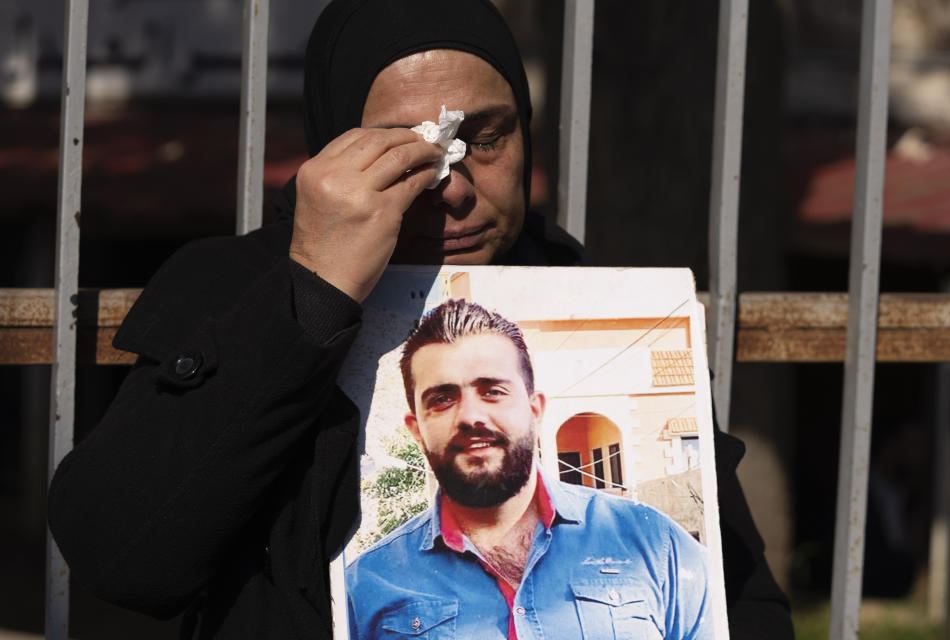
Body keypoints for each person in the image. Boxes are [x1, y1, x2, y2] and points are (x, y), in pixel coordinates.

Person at [47, 0, 792, 638]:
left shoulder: (587, 298)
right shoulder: (235, 287)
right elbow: (124, 555)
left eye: (483, 138)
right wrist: (313, 291)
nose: (453, 190)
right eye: (406, 155)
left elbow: (743, 603)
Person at [348, 298, 713, 639]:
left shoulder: (657, 546)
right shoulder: (364, 587)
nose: (471, 416)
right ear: (416, 428)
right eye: (442, 399)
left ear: (535, 410)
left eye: (492, 390)